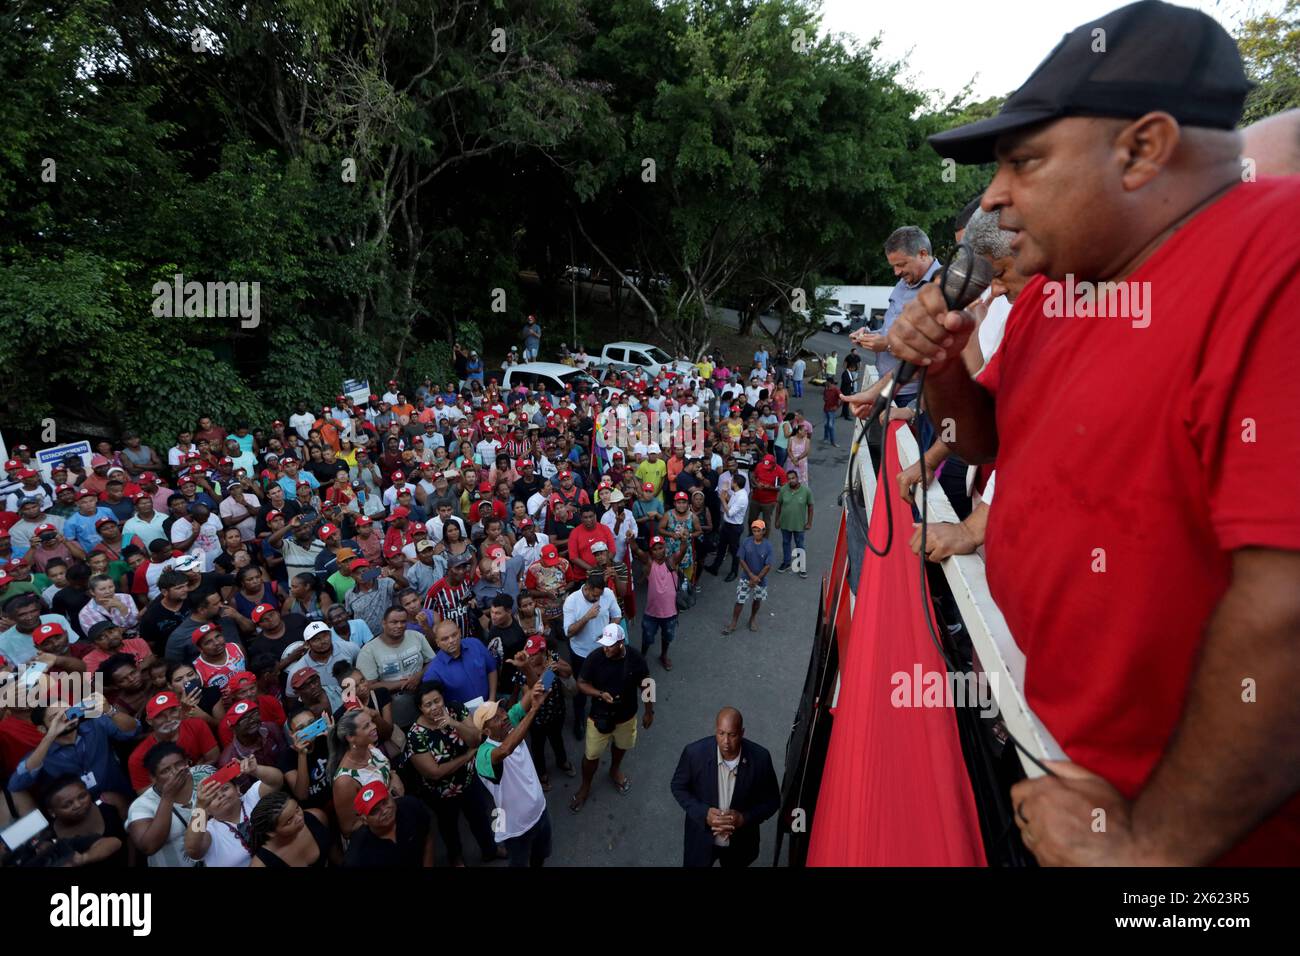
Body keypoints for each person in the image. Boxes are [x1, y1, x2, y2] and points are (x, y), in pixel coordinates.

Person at [916, 1, 1300, 865]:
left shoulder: (1278, 256)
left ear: (1142, 150)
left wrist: (1151, 851)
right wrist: (940, 364)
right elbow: (984, 447)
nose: (994, 195)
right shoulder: (1065, 288)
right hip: (1073, 770)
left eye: (1025, 160)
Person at [401, 680, 499, 866]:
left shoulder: (455, 709)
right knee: (449, 826)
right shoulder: (416, 735)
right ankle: (456, 858)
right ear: (420, 708)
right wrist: (468, 756)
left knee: (479, 816)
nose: (435, 707)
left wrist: (455, 724)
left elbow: (476, 739)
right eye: (428, 705)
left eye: (437, 701)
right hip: (441, 792)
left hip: (470, 780)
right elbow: (434, 773)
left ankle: (490, 850)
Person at [669, 707, 781, 868]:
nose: (725, 741)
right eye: (721, 733)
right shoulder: (694, 753)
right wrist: (704, 813)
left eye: (732, 735)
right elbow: (678, 786)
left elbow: (772, 800)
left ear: (742, 733)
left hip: (740, 845)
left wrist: (744, 818)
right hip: (701, 842)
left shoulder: (760, 758)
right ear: (716, 730)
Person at [569, 623, 652, 813]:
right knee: (591, 756)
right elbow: (581, 683)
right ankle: (585, 786)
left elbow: (647, 683)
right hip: (599, 718)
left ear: (621, 643)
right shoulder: (595, 658)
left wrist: (649, 711)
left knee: (621, 746)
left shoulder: (635, 658)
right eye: (604, 644)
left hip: (626, 717)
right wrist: (599, 694)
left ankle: (614, 770)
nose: (606, 648)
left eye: (611, 645)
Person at [472, 682, 552, 867]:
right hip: (517, 829)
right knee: (519, 863)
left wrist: (543, 667)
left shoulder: (510, 722)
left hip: (541, 811)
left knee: (541, 856)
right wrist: (534, 710)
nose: (504, 715)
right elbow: (505, 750)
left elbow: (534, 691)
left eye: (501, 710)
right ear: (486, 731)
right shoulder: (483, 755)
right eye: (495, 717)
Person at [184, 756, 284, 867]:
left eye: (225, 788)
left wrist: (256, 770)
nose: (221, 795)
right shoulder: (209, 831)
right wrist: (200, 806)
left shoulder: (252, 797)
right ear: (207, 810)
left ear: (237, 788)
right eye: (212, 797)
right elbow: (193, 850)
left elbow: (277, 781)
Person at [561, 571, 622, 739]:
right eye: (594, 596)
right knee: (581, 690)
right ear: (587, 588)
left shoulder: (607, 594)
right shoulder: (572, 601)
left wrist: (608, 633)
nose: (597, 599)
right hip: (581, 654)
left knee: (602, 685)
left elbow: (616, 615)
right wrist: (587, 617)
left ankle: (600, 716)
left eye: (599, 596)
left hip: (602, 652)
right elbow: (569, 632)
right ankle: (579, 721)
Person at [126, 743, 205, 867]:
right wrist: (168, 797)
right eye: (165, 771)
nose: (174, 773)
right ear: (153, 778)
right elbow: (149, 847)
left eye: (179, 764)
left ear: (186, 762)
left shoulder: (203, 775)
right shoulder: (141, 806)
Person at [41, 775, 129, 868]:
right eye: (67, 805)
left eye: (82, 796)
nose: (78, 805)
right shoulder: (51, 838)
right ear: (52, 812)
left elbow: (130, 838)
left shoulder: (109, 803)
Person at [342, 780, 434, 867]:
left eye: (385, 802)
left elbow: (427, 835)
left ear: (391, 796)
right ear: (364, 820)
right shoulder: (357, 855)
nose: (384, 811)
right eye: (375, 811)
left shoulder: (410, 806)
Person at [628, 534, 685, 671]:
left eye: (661, 548)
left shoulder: (671, 562)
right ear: (650, 551)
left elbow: (682, 550)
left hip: (670, 613)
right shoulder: (648, 563)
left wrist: (684, 539)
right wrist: (631, 539)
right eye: (655, 549)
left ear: (665, 548)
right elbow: (636, 550)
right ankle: (642, 657)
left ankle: (663, 656)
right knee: (647, 638)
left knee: (667, 637)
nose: (658, 551)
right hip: (651, 613)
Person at [421, 619, 497, 708]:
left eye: (454, 635)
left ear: (460, 633)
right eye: (445, 639)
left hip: (490, 706)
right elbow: (431, 702)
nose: (451, 640)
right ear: (437, 643)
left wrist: (492, 700)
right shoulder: (433, 671)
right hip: (464, 718)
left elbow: (491, 669)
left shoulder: (475, 644)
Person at [249, 790, 335, 868]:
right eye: (289, 821)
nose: (299, 818)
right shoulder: (261, 864)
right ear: (271, 832)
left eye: (297, 809)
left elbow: (333, 851)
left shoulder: (316, 817)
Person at [723, 518, 772, 635]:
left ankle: (752, 618)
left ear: (764, 531)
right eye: (754, 530)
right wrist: (751, 575)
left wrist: (756, 578)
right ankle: (733, 622)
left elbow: (768, 565)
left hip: (760, 580)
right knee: (739, 600)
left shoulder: (768, 546)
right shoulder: (746, 542)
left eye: (759, 530)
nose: (756, 533)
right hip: (746, 578)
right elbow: (741, 559)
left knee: (757, 600)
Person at [706, 473, 747, 581]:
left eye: (732, 481)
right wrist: (724, 494)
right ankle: (715, 567)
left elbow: (730, 513)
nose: (730, 483)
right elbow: (730, 504)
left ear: (736, 483)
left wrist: (722, 499)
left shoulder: (742, 497)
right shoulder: (736, 493)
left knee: (734, 551)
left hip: (734, 527)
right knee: (721, 547)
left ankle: (734, 572)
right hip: (728, 525)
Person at [774, 467, 814, 576]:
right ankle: (786, 563)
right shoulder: (783, 490)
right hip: (785, 523)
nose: (791, 480)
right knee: (786, 543)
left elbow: (810, 507)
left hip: (799, 525)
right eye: (789, 479)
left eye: (793, 478)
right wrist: (777, 520)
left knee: (799, 544)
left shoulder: (806, 491)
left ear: (797, 478)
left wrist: (809, 522)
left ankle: (801, 566)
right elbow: (779, 505)